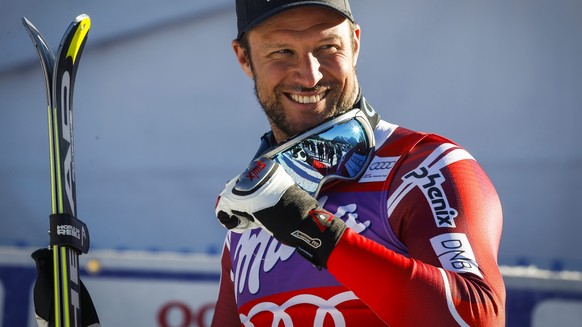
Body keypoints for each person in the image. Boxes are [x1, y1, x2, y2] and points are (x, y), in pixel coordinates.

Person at [213, 0, 506, 326]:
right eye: (282, 52)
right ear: (244, 58)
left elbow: (479, 318)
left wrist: (310, 228)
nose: (310, 77)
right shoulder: (252, 203)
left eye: (327, 47)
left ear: (354, 43)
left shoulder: (423, 167)